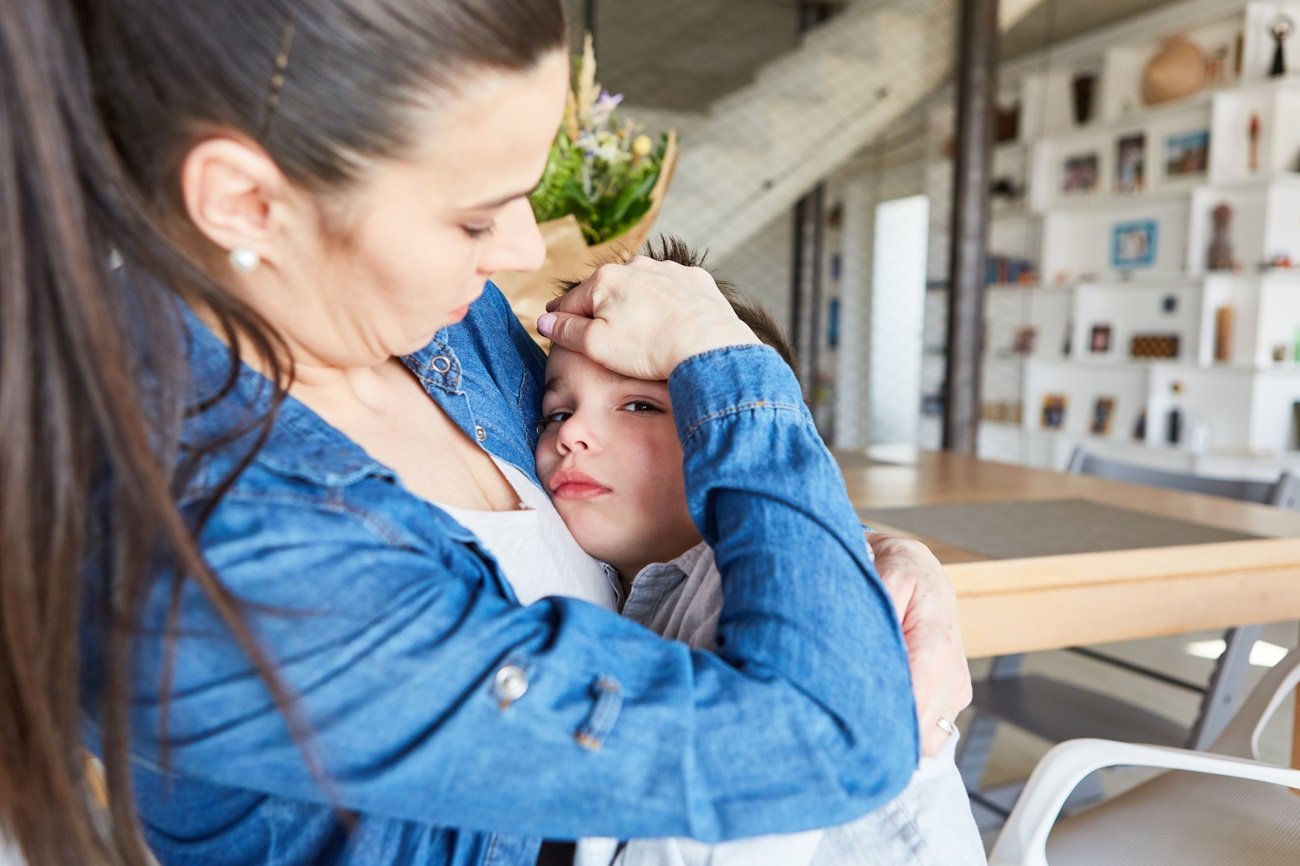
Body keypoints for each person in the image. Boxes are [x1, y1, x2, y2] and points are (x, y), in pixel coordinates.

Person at [0, 2, 971, 865]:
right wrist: (728, 358)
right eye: (473, 219)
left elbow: (639, 537)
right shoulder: (221, 560)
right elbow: (834, 734)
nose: (516, 250)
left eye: (525, 190)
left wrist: (872, 559)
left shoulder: (425, 318)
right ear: (246, 203)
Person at [535, 239, 984, 866]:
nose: (573, 434)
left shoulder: (745, 592)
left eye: (639, 405)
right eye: (555, 412)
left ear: (728, 433)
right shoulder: (632, 580)